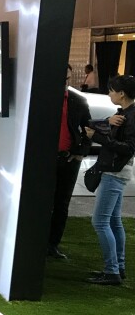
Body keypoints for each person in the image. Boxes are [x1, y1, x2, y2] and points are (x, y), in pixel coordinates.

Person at [85, 74, 135, 285]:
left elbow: (129, 148)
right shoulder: (125, 113)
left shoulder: (131, 116)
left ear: (121, 93)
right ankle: (118, 267)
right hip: (117, 171)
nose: (109, 94)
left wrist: (96, 137)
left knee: (100, 221)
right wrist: (107, 123)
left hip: (115, 172)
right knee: (113, 220)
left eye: (111, 90)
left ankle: (112, 271)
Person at [47, 65, 91, 260]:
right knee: (41, 203)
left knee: (61, 204)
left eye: (68, 79)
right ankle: (36, 242)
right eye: (62, 79)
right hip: (43, 162)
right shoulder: (41, 100)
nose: (65, 83)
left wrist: (80, 153)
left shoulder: (78, 101)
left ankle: (52, 245)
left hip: (69, 160)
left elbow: (88, 130)